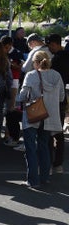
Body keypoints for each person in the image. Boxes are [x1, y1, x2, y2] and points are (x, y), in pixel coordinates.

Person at [17, 51, 65, 188]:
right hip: (49, 116)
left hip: (33, 115)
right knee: (44, 147)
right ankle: (45, 177)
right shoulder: (57, 75)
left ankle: (32, 180)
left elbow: (23, 95)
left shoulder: (31, 75)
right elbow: (61, 97)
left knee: (30, 148)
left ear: (36, 62)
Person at [46, 34, 68, 174]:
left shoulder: (56, 60)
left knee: (48, 132)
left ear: (54, 44)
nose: (49, 48)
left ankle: (48, 162)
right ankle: (58, 164)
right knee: (59, 132)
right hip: (62, 97)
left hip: (51, 98)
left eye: (50, 46)